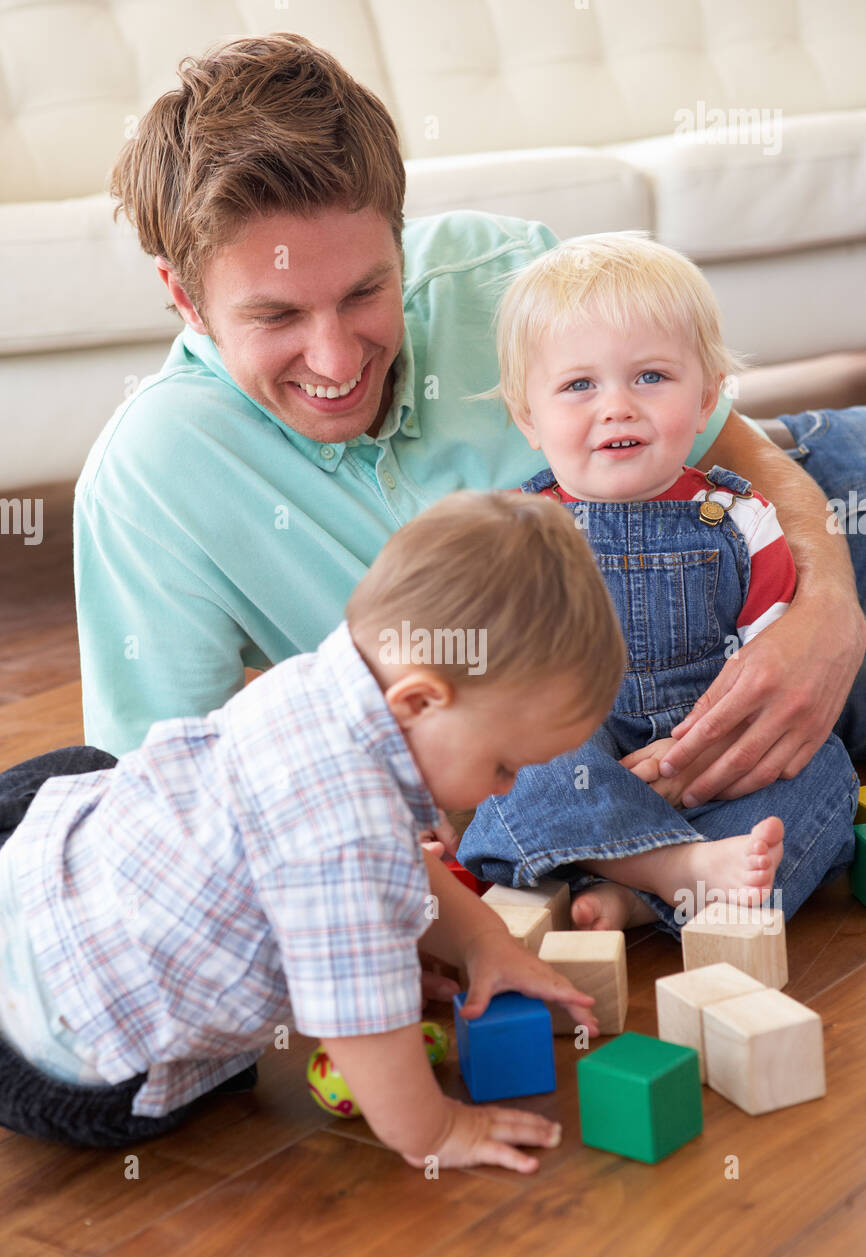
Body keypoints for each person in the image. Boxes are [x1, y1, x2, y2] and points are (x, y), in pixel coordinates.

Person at [74, 31, 866, 820]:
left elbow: (733, 449)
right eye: (277, 315)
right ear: (183, 298)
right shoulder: (152, 478)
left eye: (364, 293)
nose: (336, 355)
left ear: (399, 242)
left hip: (811, 520)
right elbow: (164, 803)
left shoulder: (492, 272)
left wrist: (828, 612)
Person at [2, 490, 623, 1168]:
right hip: (53, 1053)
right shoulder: (346, 834)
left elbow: (387, 860)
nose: (505, 788)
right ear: (417, 701)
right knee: (197, 1082)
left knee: (89, 770)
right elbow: (363, 1020)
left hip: (33, 879)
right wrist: (437, 1132)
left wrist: (482, 939)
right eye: (504, 765)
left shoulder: (317, 680)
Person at [457, 233, 858, 937]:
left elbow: (770, 649)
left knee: (823, 775)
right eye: (580, 385)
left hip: (711, 737)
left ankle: (630, 886)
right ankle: (673, 873)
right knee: (522, 762)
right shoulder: (520, 530)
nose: (617, 406)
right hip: (588, 737)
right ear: (528, 418)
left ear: (706, 402)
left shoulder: (742, 515)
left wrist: (708, 747)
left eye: (650, 378)